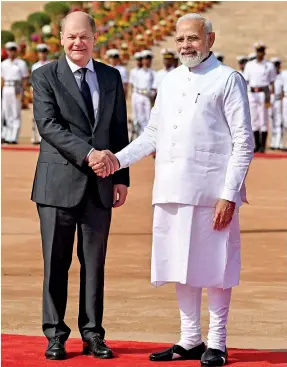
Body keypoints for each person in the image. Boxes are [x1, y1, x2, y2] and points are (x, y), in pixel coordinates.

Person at [90, 13, 254, 367]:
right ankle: (190, 339)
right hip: (171, 187)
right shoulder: (169, 80)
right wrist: (116, 161)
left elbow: (244, 142)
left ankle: (218, 342)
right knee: (181, 264)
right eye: (180, 40)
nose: (185, 46)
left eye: (192, 39)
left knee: (216, 266)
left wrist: (230, 192)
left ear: (210, 39)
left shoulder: (228, 79)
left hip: (213, 191)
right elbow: (152, 134)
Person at [31, 11, 129, 360]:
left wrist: (121, 176)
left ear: (94, 37)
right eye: (71, 36)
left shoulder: (110, 76)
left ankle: (93, 334)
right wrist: (89, 154)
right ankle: (55, 334)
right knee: (55, 263)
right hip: (57, 185)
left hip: (101, 186)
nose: (78, 42)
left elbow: (119, 128)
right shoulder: (45, 76)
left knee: (94, 264)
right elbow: (48, 125)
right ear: (61, 39)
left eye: (84, 36)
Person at [244, 42, 276, 152]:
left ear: (264, 52)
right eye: (258, 51)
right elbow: (246, 80)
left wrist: (270, 97)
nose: (260, 53)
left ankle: (263, 145)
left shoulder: (269, 65)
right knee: (254, 120)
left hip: (264, 93)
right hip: (252, 93)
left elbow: (272, 82)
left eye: (261, 51)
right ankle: (256, 145)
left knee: (264, 119)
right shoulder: (250, 65)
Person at [1, 42, 29, 144]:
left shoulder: (21, 63)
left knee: (15, 112)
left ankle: (14, 136)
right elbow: (2, 79)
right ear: (7, 51)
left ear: (16, 51)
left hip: (16, 87)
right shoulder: (3, 64)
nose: (11, 52)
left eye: (13, 50)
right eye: (9, 50)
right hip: (6, 88)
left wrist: (23, 92)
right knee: (6, 112)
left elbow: (25, 78)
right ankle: (7, 135)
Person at [31, 44, 51, 144]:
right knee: (36, 115)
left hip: (47, 93)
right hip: (37, 92)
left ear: (47, 53)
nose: (42, 54)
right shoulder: (34, 66)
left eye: (44, 52)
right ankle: (36, 137)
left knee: (47, 114)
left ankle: (43, 137)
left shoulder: (50, 65)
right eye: (40, 52)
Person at [133, 49, 157, 134]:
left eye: (148, 59)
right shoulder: (138, 72)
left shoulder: (153, 73)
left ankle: (147, 135)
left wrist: (152, 96)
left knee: (148, 117)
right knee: (139, 117)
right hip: (139, 95)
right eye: (145, 59)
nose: (146, 61)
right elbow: (135, 86)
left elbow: (154, 87)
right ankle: (140, 135)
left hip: (148, 97)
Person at [269, 58, 283, 150]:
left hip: (278, 101)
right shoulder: (270, 77)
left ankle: (278, 144)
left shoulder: (282, 76)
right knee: (271, 122)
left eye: (276, 65)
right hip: (270, 100)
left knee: (278, 122)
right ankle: (273, 143)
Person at [129, 52, 143, 132]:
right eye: (137, 60)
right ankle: (135, 130)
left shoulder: (143, 71)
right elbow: (131, 84)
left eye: (140, 60)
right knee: (135, 113)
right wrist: (131, 95)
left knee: (142, 114)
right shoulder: (133, 71)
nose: (138, 62)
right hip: (135, 93)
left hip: (142, 93)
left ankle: (141, 131)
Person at [281, 67, 287, 150]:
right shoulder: (284, 73)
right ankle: (285, 144)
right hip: (286, 98)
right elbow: (281, 88)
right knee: (285, 122)